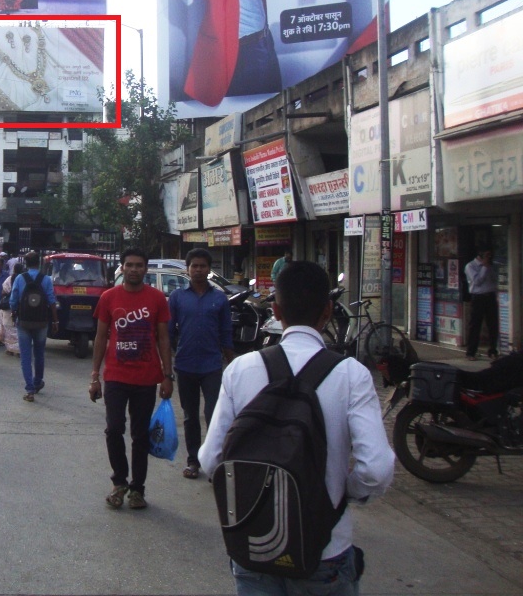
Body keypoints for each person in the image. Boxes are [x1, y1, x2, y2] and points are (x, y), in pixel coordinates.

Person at [199, 261, 394, 595]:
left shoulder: (241, 369)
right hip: (326, 550)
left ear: (275, 310)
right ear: (328, 311)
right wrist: (348, 492)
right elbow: (376, 469)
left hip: (254, 546)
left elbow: (209, 459)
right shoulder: (351, 375)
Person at [90, 248, 174, 510]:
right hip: (115, 376)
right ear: (122, 269)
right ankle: (119, 482)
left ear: (145, 269)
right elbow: (101, 338)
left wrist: (167, 376)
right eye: (129, 265)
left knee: (140, 436)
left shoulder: (157, 298)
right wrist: (95, 376)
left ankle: (137, 489)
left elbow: (163, 338)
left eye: (139, 265)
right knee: (114, 429)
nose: (134, 269)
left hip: (146, 378)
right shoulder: (108, 298)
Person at [168, 247, 234, 480]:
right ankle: (193, 461)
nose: (198, 270)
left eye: (203, 266)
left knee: (214, 415)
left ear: (209, 270)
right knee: (190, 416)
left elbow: (226, 333)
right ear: (187, 269)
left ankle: (214, 462)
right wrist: (166, 364)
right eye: (194, 266)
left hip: (212, 366)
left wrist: (232, 364)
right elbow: (167, 333)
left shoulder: (219, 299)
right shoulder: (177, 297)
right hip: (185, 365)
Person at [9, 251, 57, 402]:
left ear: (26, 264)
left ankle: (29, 390)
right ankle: (38, 382)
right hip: (42, 321)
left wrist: (14, 313)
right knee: (39, 353)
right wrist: (55, 321)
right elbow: (51, 301)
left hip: (24, 321)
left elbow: (13, 300)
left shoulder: (20, 278)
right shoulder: (46, 279)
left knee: (25, 355)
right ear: (39, 263)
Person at [465, 250, 499, 360]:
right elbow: (477, 281)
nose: (489, 258)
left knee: (493, 324)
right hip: (478, 297)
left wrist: (489, 266)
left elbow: (495, 279)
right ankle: (471, 352)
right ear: (480, 256)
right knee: (475, 325)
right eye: (487, 256)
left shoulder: (491, 266)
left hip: (490, 296)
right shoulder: (470, 266)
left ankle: (493, 350)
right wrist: (484, 267)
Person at [0, 261, 25, 356]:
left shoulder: (9, 279)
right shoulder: (24, 279)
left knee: (8, 328)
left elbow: (3, 291)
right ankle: (19, 350)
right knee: (17, 329)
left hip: (8, 307)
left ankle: (10, 349)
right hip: (20, 307)